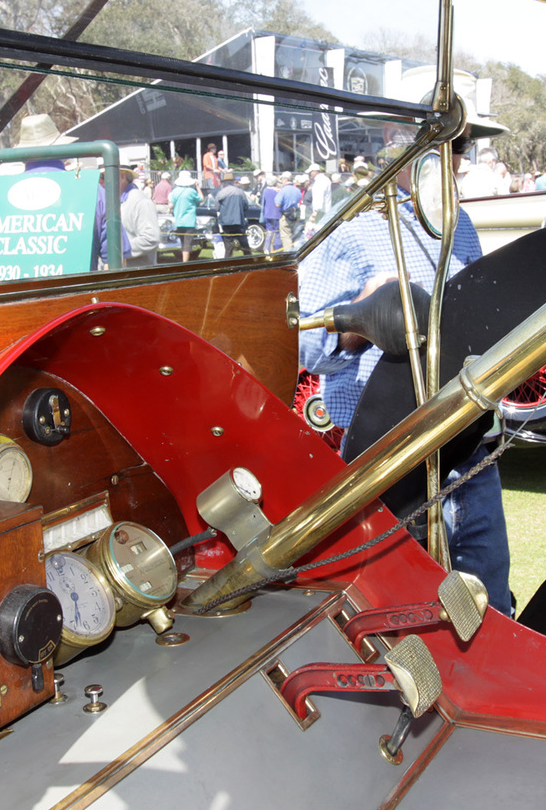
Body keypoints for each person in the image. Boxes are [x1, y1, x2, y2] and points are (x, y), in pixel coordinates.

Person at [298, 138, 512, 615]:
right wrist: (361, 322)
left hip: (469, 449)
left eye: (463, 146)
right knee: (397, 611)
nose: (456, 158)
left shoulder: (461, 225)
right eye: (446, 143)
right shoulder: (352, 230)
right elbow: (301, 342)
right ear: (406, 153)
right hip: (388, 462)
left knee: (490, 608)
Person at [120, 168, 161, 267]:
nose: (100, 181)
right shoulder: (109, 200)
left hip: (135, 276)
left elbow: (151, 238)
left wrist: (116, 251)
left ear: (122, 176)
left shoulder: (140, 201)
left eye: (103, 177)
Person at [168, 171, 201, 263]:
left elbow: (171, 204)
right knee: (187, 243)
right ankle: (185, 262)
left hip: (179, 221)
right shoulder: (191, 191)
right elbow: (201, 199)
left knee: (183, 242)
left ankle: (183, 260)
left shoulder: (175, 191)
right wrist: (197, 186)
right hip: (189, 221)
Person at [215, 175, 252, 255]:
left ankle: (228, 263)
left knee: (228, 246)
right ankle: (250, 260)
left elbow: (217, 208)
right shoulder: (240, 192)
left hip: (226, 222)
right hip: (238, 221)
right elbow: (246, 206)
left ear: (224, 182)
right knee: (244, 245)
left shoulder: (221, 192)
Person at [275, 172, 303, 251]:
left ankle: (288, 254)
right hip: (295, 215)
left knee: (286, 237)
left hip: (286, 215)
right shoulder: (297, 190)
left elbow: (277, 204)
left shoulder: (283, 190)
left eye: (282, 179)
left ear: (285, 179)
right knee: (295, 236)